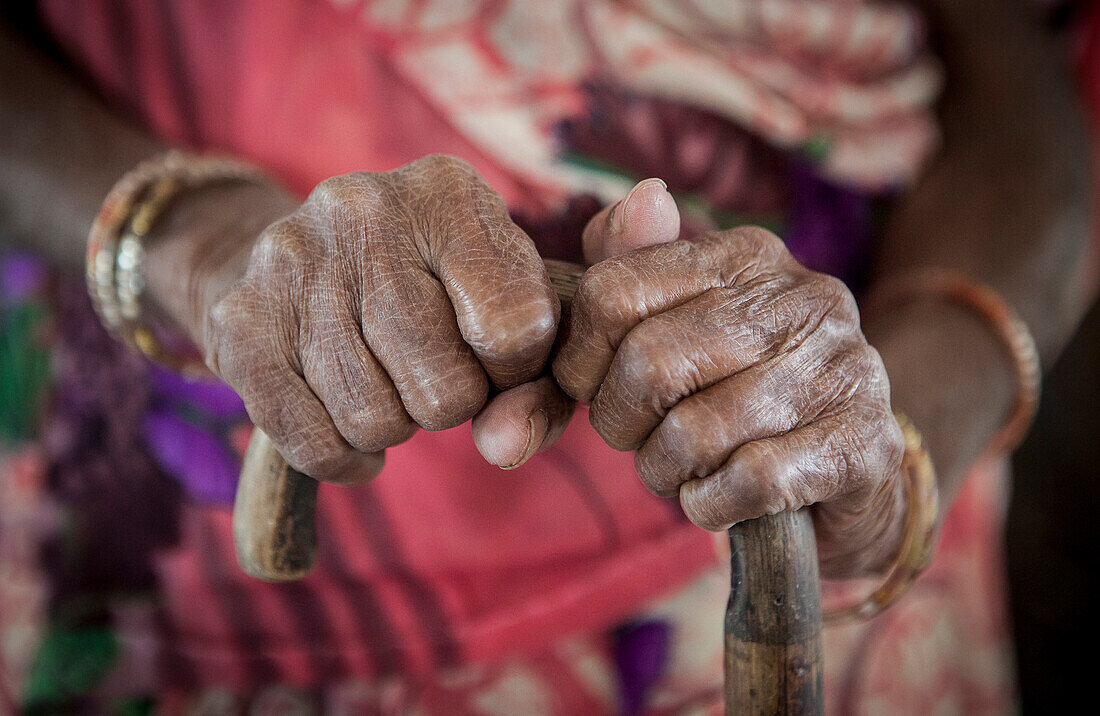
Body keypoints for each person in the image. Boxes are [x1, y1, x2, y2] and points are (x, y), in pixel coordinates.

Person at [0, 0, 1094, 712]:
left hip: (810, 473)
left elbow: (1022, 98)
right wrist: (212, 245)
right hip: (156, 516)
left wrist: (892, 442)